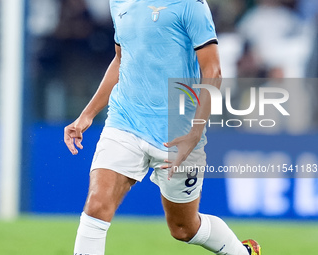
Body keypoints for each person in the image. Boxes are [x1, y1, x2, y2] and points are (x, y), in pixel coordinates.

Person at [64, 0, 261, 254]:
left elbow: (212, 70)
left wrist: (195, 133)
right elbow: (121, 59)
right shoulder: (119, 2)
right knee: (96, 205)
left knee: (183, 228)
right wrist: (87, 114)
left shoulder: (191, 5)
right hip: (125, 121)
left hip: (178, 132)